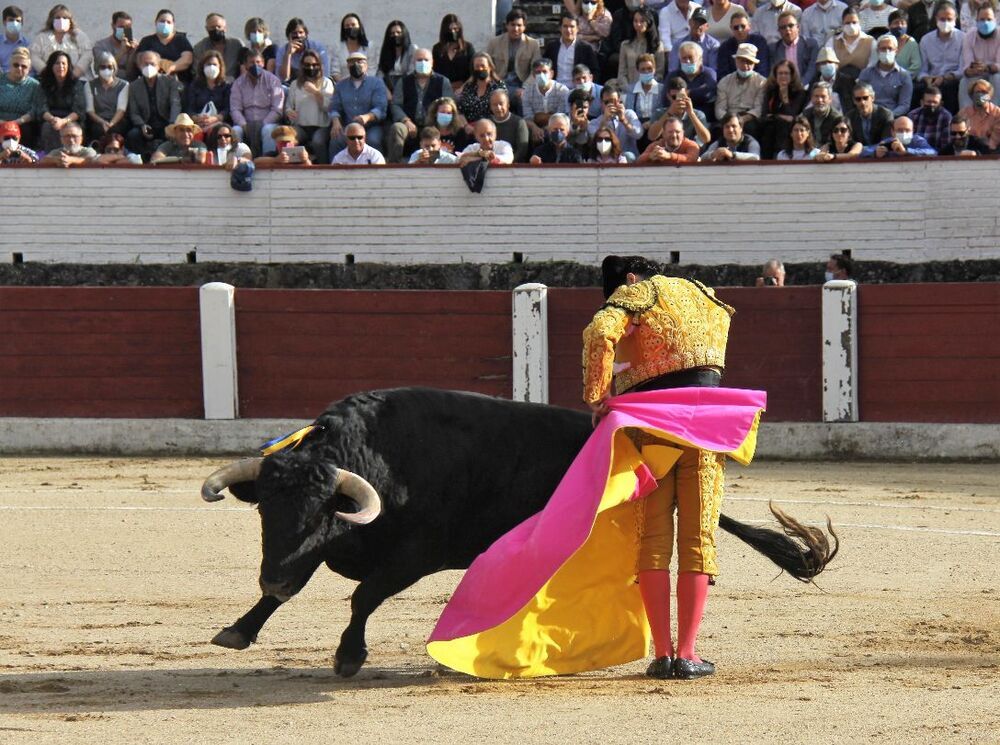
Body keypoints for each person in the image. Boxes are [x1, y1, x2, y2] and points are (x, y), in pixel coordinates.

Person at [386, 48, 452, 163]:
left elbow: (449, 104)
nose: (423, 63)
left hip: (433, 124)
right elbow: (396, 105)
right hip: (409, 123)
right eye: (419, 60)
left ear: (432, 62)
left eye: (426, 60)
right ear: (413, 62)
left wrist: (433, 120)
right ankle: (394, 165)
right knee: (397, 128)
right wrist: (405, 120)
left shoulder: (443, 82)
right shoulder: (404, 82)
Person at [125, 49, 181, 160]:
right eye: (145, 64)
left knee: (174, 135)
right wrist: (142, 125)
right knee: (133, 135)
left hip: (166, 123)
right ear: (140, 66)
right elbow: (134, 112)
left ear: (159, 66)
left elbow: (175, 104)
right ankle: (143, 160)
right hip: (146, 125)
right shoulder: (134, 86)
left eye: (152, 64)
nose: (149, 67)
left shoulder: (170, 82)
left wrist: (171, 125)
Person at [230, 48, 284, 157]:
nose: (255, 65)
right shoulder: (238, 83)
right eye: (251, 62)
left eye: (258, 62)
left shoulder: (273, 81)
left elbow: (277, 110)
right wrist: (243, 124)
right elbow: (235, 109)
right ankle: (236, 162)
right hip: (246, 123)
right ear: (245, 65)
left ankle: (267, 161)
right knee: (235, 130)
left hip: (267, 122)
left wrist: (264, 123)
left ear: (263, 63)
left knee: (268, 131)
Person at [284, 49, 332, 163]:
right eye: (307, 65)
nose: (311, 68)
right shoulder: (295, 84)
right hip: (301, 126)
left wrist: (315, 92)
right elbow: (288, 106)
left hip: (321, 126)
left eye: (314, 65)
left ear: (319, 66)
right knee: (287, 138)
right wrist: (289, 112)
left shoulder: (326, 83)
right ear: (302, 66)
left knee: (318, 141)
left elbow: (328, 107)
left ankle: (324, 167)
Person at [487, 8, 542, 107]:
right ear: (507, 25)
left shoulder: (533, 44)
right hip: (498, 83)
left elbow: (536, 70)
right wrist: (495, 83)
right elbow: (487, 67)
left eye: (519, 25)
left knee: (523, 98)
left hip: (521, 85)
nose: (516, 28)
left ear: (524, 27)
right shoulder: (494, 43)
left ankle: (523, 122)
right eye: (512, 25)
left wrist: (525, 88)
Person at [33, 50, 84, 151]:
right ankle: (51, 157)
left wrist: (64, 121)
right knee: (48, 128)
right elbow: (41, 107)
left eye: (63, 63)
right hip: (50, 119)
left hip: (70, 119)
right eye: (57, 63)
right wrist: (53, 120)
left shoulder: (76, 84)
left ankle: (71, 155)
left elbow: (78, 110)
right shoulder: (43, 84)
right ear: (51, 66)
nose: (60, 66)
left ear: (68, 66)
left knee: (71, 130)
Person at [917, 2, 964, 114]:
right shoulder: (926, 40)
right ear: (936, 19)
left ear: (955, 19)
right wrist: (927, 78)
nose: (946, 22)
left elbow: (962, 69)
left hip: (952, 80)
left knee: (950, 88)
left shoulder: (963, 38)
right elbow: (922, 70)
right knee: (918, 89)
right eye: (942, 19)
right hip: (931, 79)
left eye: (949, 19)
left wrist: (945, 78)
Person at [715, 42, 766, 135]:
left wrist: (741, 120)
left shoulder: (761, 82)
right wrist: (730, 120)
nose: (745, 66)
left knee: (752, 129)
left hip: (749, 118)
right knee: (717, 130)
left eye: (749, 62)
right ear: (736, 61)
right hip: (728, 116)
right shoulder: (725, 81)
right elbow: (719, 108)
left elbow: (758, 108)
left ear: (754, 64)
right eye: (742, 61)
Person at [760, 58, 807, 157]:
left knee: (783, 125)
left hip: (790, 127)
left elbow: (791, 116)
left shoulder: (799, 92)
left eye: (786, 73)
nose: (783, 76)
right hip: (771, 127)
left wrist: (785, 97)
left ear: (792, 75)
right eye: (780, 73)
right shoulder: (770, 91)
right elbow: (765, 115)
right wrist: (779, 116)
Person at [30, 4, 92, 80]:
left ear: (70, 21)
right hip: (48, 79)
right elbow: (34, 56)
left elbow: (87, 55)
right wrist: (47, 72)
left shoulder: (79, 36)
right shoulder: (41, 37)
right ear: (52, 20)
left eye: (65, 18)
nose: (61, 20)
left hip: (77, 79)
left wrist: (75, 73)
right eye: (58, 17)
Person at [858, 34, 914, 116]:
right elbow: (860, 97)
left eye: (890, 48)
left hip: (893, 117)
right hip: (870, 115)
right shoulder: (866, 73)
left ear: (896, 51)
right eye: (883, 49)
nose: (887, 51)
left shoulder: (904, 76)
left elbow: (904, 105)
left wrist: (889, 115)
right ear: (877, 51)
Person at [647, 76, 712, 145]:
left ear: (687, 94)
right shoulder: (659, 113)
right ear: (668, 96)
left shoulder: (698, 114)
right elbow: (652, 136)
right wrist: (669, 113)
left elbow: (706, 139)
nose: (678, 100)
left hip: (689, 150)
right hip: (666, 149)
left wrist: (691, 113)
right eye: (674, 97)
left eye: (682, 96)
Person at [958, 4, 1000, 109]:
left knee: (997, 78)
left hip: (995, 73)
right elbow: (967, 65)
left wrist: (988, 67)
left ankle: (994, 115)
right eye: (982, 19)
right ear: (976, 20)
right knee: (964, 81)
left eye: (989, 19)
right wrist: (970, 70)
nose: (985, 22)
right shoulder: (969, 36)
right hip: (977, 74)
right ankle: (966, 117)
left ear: (995, 20)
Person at [136, 9, 194, 82]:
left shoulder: (181, 39)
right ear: (156, 22)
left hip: (179, 83)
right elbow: (139, 60)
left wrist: (170, 68)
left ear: (173, 25)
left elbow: (187, 59)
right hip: (152, 82)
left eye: (168, 22)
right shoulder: (147, 41)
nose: (165, 24)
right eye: (162, 21)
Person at [588, 82, 644, 158]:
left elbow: (638, 134)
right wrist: (605, 120)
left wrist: (624, 120)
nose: (610, 105)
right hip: (606, 160)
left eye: (613, 102)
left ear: (619, 101)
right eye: (607, 102)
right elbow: (594, 141)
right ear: (601, 103)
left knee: (628, 156)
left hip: (629, 160)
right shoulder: (594, 123)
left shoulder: (629, 114)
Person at [522, 57, 570, 145]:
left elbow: (561, 116)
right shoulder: (527, 92)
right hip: (535, 129)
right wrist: (534, 128)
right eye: (538, 72)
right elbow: (528, 117)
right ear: (533, 75)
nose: (541, 75)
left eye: (544, 72)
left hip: (557, 128)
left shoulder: (562, 90)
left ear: (551, 73)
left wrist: (541, 120)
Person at [545, 13, 601, 87]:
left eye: (572, 26)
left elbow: (595, 71)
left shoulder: (586, 48)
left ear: (577, 28)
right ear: (560, 28)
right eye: (565, 26)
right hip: (556, 90)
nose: (568, 30)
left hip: (578, 91)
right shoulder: (552, 47)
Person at [84, 52, 128, 142]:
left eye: (109, 67)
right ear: (97, 67)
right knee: (97, 129)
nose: (106, 70)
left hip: (116, 120)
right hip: (97, 120)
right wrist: (102, 122)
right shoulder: (89, 85)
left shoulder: (123, 85)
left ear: (114, 68)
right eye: (103, 67)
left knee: (115, 130)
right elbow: (90, 110)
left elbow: (121, 109)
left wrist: (110, 124)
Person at [618, 7, 666, 87]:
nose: (638, 24)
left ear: (648, 22)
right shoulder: (625, 45)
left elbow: (659, 73)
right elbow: (622, 73)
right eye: (635, 21)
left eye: (642, 21)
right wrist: (629, 89)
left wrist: (647, 87)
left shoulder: (657, 45)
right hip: (629, 89)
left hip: (650, 89)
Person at [272, 17, 329, 85]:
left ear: (306, 34)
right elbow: (283, 78)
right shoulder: (282, 51)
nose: (298, 36)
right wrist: (288, 54)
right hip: (292, 86)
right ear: (288, 35)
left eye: (301, 32)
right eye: (294, 33)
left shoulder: (317, 47)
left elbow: (325, 73)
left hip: (315, 83)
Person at [717, 11, 772, 81]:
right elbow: (723, 73)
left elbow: (763, 69)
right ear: (731, 28)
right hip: (733, 86)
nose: (740, 30)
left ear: (749, 26)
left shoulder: (759, 42)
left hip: (757, 84)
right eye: (736, 27)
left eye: (743, 26)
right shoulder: (725, 47)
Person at [0, 46, 38, 145]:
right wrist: (3, 123)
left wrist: (17, 122)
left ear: (29, 69)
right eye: (16, 65)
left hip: (21, 124)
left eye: (24, 66)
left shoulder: (34, 85)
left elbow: (34, 110)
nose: (19, 68)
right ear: (10, 65)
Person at [769, 11, 818, 86]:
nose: (787, 29)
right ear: (779, 31)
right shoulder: (774, 49)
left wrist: (800, 85)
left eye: (791, 25)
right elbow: (774, 73)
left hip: (807, 88)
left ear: (798, 27)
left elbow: (812, 69)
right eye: (783, 27)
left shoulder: (810, 45)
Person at [668, 41, 718, 116]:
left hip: (704, 118)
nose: (687, 61)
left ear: (700, 59)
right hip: (678, 118)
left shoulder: (709, 74)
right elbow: (666, 97)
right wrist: (698, 92)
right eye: (684, 58)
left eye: (690, 57)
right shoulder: (673, 75)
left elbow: (708, 94)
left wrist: (688, 93)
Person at [457, 52, 507, 126]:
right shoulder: (468, 87)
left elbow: (501, 111)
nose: (480, 69)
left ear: (490, 67)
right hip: (469, 128)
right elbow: (460, 111)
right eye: (477, 66)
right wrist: (466, 126)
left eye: (483, 66)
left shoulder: (498, 86)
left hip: (491, 127)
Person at [192, 13, 244, 81]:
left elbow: (245, 65)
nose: (216, 29)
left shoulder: (237, 45)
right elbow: (198, 71)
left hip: (234, 85)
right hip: (209, 85)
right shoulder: (199, 47)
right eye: (212, 27)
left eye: (219, 27)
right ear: (207, 29)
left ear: (225, 28)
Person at [433, 14, 476, 94]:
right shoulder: (437, 49)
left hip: (463, 89)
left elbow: (473, 73)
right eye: (450, 29)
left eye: (456, 29)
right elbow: (434, 72)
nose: (453, 32)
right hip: (442, 89)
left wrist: (462, 88)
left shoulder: (467, 48)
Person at [668, 8, 721, 72]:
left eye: (701, 23)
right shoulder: (679, 44)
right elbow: (673, 70)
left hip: (704, 78)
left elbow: (713, 70)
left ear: (707, 26)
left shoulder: (713, 45)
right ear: (690, 22)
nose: (698, 26)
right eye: (696, 22)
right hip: (682, 79)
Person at [90, 11, 138, 81]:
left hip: (129, 82)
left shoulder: (134, 44)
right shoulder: (100, 45)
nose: (124, 30)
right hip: (107, 81)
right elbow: (102, 68)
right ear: (113, 26)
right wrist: (121, 52)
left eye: (127, 27)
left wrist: (132, 53)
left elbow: (131, 72)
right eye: (121, 27)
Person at [861, 114, 937, 156]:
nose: (904, 133)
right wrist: (875, 153)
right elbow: (864, 152)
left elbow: (932, 152)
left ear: (913, 131)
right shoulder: (889, 142)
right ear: (892, 132)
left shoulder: (917, 140)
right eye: (900, 130)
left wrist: (906, 151)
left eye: (907, 130)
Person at [956, 77, 1000, 149]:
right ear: (971, 95)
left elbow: (995, 140)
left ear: (990, 95)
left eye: (984, 92)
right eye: (977, 92)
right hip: (967, 151)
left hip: (990, 153)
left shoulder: (997, 113)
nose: (980, 95)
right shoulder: (963, 113)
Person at [376, 20, 417, 97]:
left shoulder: (412, 49)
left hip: (406, 86)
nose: (395, 35)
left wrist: (400, 91)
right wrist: (386, 91)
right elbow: (380, 74)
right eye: (392, 33)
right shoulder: (386, 51)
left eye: (398, 32)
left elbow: (412, 72)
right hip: (389, 87)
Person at [490, 88, 530, 162]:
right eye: (495, 105)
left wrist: (504, 162)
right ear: (490, 107)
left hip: (513, 165)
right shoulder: (487, 123)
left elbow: (522, 150)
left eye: (501, 104)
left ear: (508, 105)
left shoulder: (519, 123)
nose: (498, 108)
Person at [907, 85, 951, 151]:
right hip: (914, 154)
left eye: (935, 102)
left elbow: (945, 146)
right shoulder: (912, 115)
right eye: (929, 102)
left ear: (941, 104)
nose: (931, 105)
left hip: (938, 157)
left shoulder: (946, 117)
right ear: (922, 102)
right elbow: (907, 141)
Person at [330, 13, 370, 83]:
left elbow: (372, 69)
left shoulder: (369, 47)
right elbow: (335, 72)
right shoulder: (337, 47)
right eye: (347, 26)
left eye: (353, 25)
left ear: (359, 26)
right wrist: (347, 87)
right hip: (344, 87)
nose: (350, 27)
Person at [888, 10, 922, 83]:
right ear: (889, 25)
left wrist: (901, 78)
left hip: (905, 81)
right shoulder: (884, 40)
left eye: (902, 23)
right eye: (896, 23)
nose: (899, 26)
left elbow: (916, 66)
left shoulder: (912, 43)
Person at [803, 80, 841, 144]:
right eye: (816, 96)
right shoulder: (805, 115)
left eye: (823, 97)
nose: (819, 100)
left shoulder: (837, 118)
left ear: (830, 99)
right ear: (811, 98)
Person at [0, 5, 30, 74]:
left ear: (21, 24)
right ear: (4, 22)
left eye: (18, 21)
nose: (15, 23)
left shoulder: (27, 44)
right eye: (11, 20)